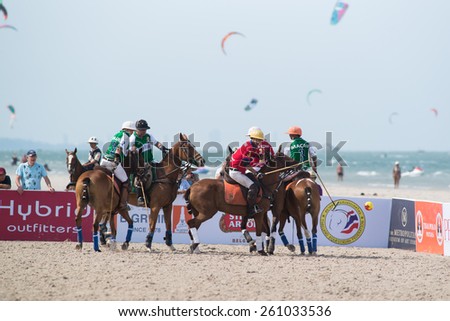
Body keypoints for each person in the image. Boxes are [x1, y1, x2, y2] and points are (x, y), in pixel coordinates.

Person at [229, 127, 271, 218]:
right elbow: (246, 165)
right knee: (253, 186)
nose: (260, 142)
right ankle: (250, 209)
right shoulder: (248, 148)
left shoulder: (253, 147)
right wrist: (255, 173)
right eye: (258, 140)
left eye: (260, 140)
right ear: (253, 139)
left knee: (257, 183)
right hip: (236, 172)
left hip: (241, 171)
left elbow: (258, 162)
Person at [129, 119, 168, 205]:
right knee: (141, 177)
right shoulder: (133, 138)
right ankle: (140, 197)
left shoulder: (149, 136)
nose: (144, 131)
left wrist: (162, 147)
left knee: (161, 170)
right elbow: (131, 149)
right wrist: (133, 149)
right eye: (142, 130)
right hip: (139, 163)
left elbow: (156, 143)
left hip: (150, 160)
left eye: (145, 129)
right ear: (137, 130)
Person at [100, 121, 136, 211]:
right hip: (112, 163)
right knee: (126, 181)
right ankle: (123, 204)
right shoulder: (126, 136)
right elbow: (119, 147)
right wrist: (117, 158)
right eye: (132, 130)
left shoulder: (116, 134)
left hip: (103, 160)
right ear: (127, 129)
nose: (132, 133)